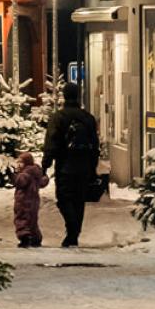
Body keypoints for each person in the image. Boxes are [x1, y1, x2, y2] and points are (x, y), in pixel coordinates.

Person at [41, 82, 100, 248]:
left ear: (64, 96)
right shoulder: (88, 118)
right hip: (84, 165)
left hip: (65, 165)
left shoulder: (58, 117)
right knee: (79, 200)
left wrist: (45, 164)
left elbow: (51, 142)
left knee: (64, 198)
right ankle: (74, 233)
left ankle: (72, 230)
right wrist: (93, 167)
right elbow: (95, 145)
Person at [11, 152, 49, 248]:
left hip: (23, 200)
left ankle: (24, 237)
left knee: (21, 218)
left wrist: (13, 175)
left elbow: (20, 182)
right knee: (32, 220)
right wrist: (45, 177)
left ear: (27, 163)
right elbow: (42, 182)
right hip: (34, 201)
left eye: (21, 162)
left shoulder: (25, 173)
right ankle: (36, 238)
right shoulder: (36, 172)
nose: (19, 165)